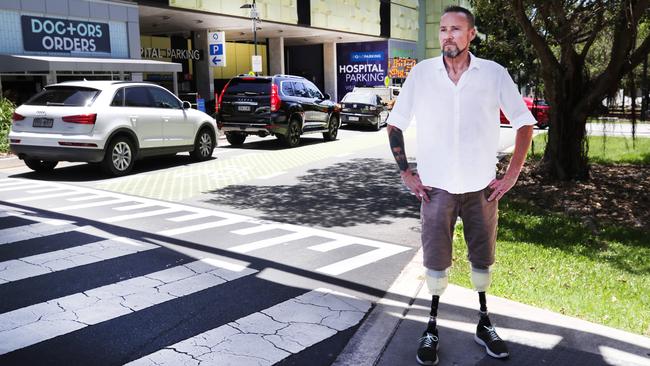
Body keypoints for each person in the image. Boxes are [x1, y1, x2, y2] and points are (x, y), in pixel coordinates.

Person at [386, 5, 536, 365]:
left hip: (481, 188)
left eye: (455, 29)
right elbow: (395, 125)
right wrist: (406, 171)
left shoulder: (493, 74)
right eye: (442, 30)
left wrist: (513, 173)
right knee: (436, 262)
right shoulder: (422, 75)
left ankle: (484, 322)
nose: (447, 36)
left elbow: (524, 123)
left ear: (471, 35)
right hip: (435, 188)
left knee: (482, 260)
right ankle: (432, 325)